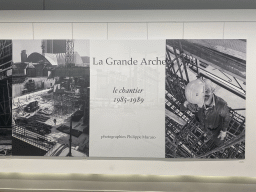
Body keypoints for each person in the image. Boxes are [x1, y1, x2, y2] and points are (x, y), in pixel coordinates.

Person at [181, 78, 231, 146]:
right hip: (203, 125)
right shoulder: (196, 100)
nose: (204, 95)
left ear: (212, 90)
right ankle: (208, 135)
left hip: (215, 128)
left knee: (219, 139)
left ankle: (220, 146)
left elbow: (227, 117)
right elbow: (181, 108)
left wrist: (224, 131)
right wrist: (185, 104)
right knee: (207, 132)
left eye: (206, 91)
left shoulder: (221, 105)